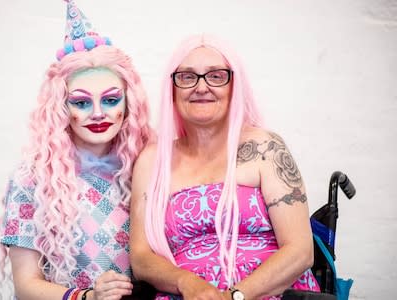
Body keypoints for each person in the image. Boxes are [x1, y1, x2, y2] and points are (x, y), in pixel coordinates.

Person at [129, 34, 320, 300]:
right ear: (172, 90)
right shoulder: (152, 160)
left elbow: (300, 250)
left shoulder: (265, 148)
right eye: (187, 77)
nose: (201, 87)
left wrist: (235, 296)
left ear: (234, 86)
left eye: (216, 76)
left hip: (271, 292)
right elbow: (141, 258)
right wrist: (188, 283)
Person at [0, 1, 151, 299]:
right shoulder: (34, 179)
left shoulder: (145, 168)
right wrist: (89, 297)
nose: (97, 113)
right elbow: (26, 286)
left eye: (110, 99)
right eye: (81, 102)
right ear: (61, 108)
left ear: (128, 103)